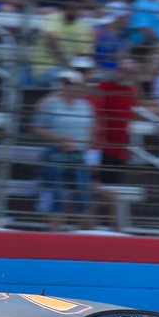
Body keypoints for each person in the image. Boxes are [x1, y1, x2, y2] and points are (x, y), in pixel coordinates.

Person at [34, 71, 95, 232]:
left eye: (73, 84)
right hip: (55, 152)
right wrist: (58, 139)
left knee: (83, 194)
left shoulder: (86, 106)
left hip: (77, 153)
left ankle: (86, 233)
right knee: (56, 193)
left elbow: (89, 132)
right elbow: (37, 128)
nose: (70, 87)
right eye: (67, 83)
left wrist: (82, 146)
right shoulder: (51, 103)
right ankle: (56, 231)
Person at [89, 57, 142, 229]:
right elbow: (98, 119)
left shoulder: (130, 90)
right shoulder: (104, 88)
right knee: (104, 191)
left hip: (119, 150)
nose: (125, 74)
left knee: (112, 190)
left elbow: (132, 116)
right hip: (104, 148)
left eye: (129, 72)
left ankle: (105, 224)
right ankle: (101, 224)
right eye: (123, 70)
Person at [31, 4, 94, 87]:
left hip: (71, 69)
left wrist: (83, 73)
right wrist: (68, 67)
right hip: (46, 69)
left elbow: (85, 55)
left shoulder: (81, 27)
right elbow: (51, 41)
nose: (73, 12)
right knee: (70, 80)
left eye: (76, 9)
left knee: (91, 80)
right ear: (64, 9)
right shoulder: (53, 18)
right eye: (70, 8)